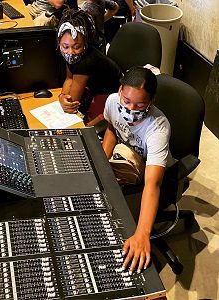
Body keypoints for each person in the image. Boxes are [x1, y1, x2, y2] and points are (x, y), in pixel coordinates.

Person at [102, 66, 172, 273]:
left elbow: (153, 183)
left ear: (151, 101)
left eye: (140, 104)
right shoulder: (112, 101)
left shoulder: (158, 128)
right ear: (120, 90)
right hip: (122, 157)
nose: (131, 109)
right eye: (126, 101)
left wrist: (142, 234)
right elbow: (111, 129)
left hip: (147, 170)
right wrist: (102, 163)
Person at [57, 8, 121, 117]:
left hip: (111, 98)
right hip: (92, 90)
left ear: (85, 43)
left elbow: (73, 103)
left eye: (77, 47)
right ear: (59, 42)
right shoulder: (71, 53)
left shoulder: (87, 61)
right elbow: (70, 78)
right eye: (65, 46)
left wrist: (64, 101)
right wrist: (62, 96)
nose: (70, 52)